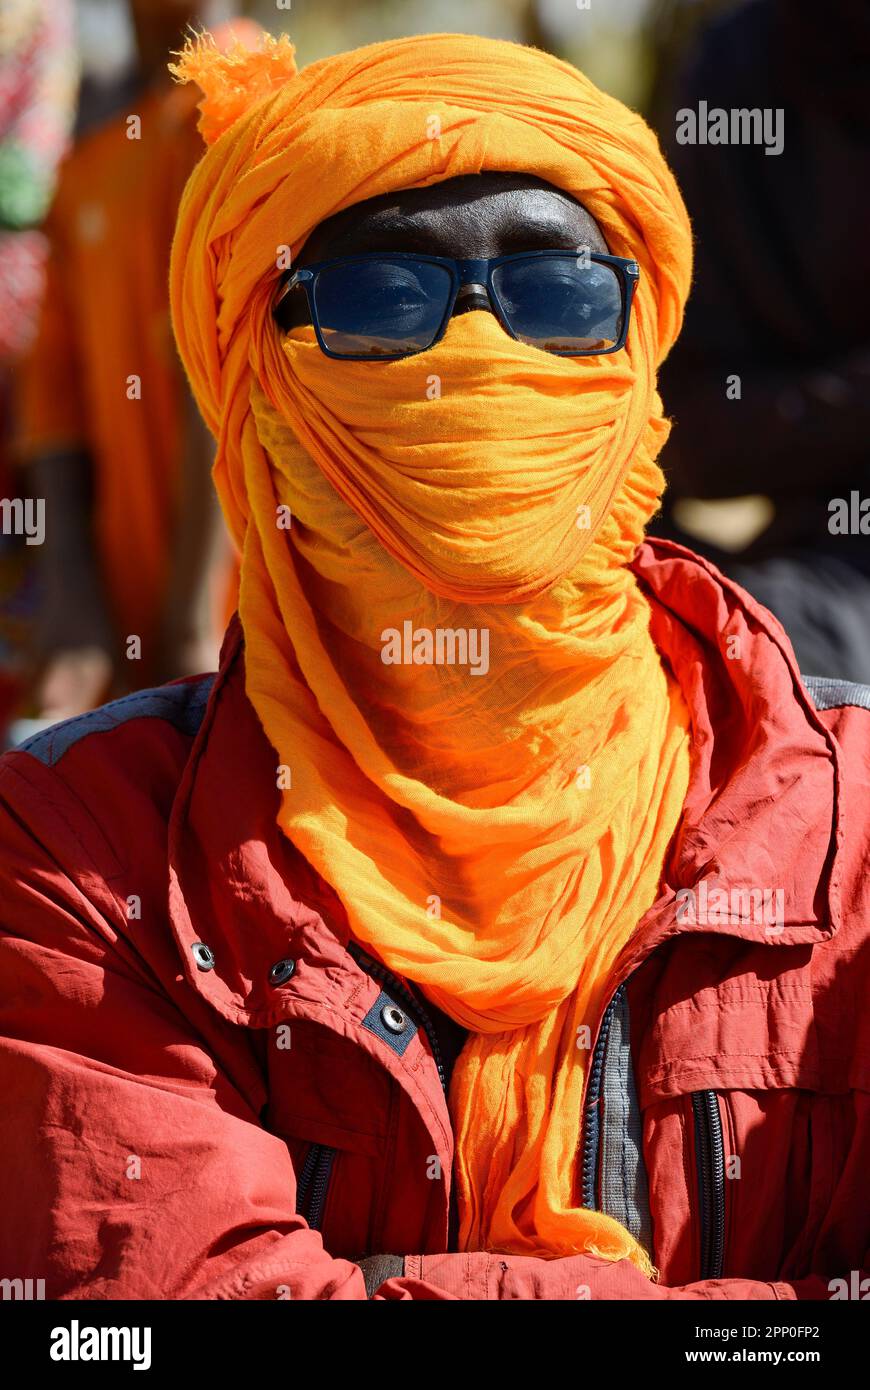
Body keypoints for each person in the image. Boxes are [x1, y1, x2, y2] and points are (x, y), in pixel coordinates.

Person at [0, 30, 867, 1301]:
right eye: (378, 300)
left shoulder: (840, 826)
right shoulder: (88, 853)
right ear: (260, 394)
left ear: (635, 365)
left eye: (562, 294)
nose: (476, 356)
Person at [14, 1, 246, 725]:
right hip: (124, 635)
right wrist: (73, 592)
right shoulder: (89, 142)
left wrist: (190, 617)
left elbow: (228, 355)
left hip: (240, 633)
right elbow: (55, 392)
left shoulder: (245, 95)